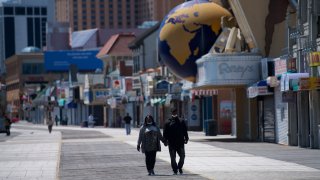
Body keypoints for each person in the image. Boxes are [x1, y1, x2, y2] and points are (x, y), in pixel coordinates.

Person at [163, 108, 189, 175]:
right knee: (172, 157)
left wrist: (186, 138)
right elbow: (165, 133)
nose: (174, 113)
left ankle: (179, 167)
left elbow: (185, 131)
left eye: (175, 112)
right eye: (173, 112)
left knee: (182, 156)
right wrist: (164, 141)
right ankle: (175, 169)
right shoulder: (168, 122)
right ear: (171, 113)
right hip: (171, 143)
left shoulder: (181, 121)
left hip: (180, 142)